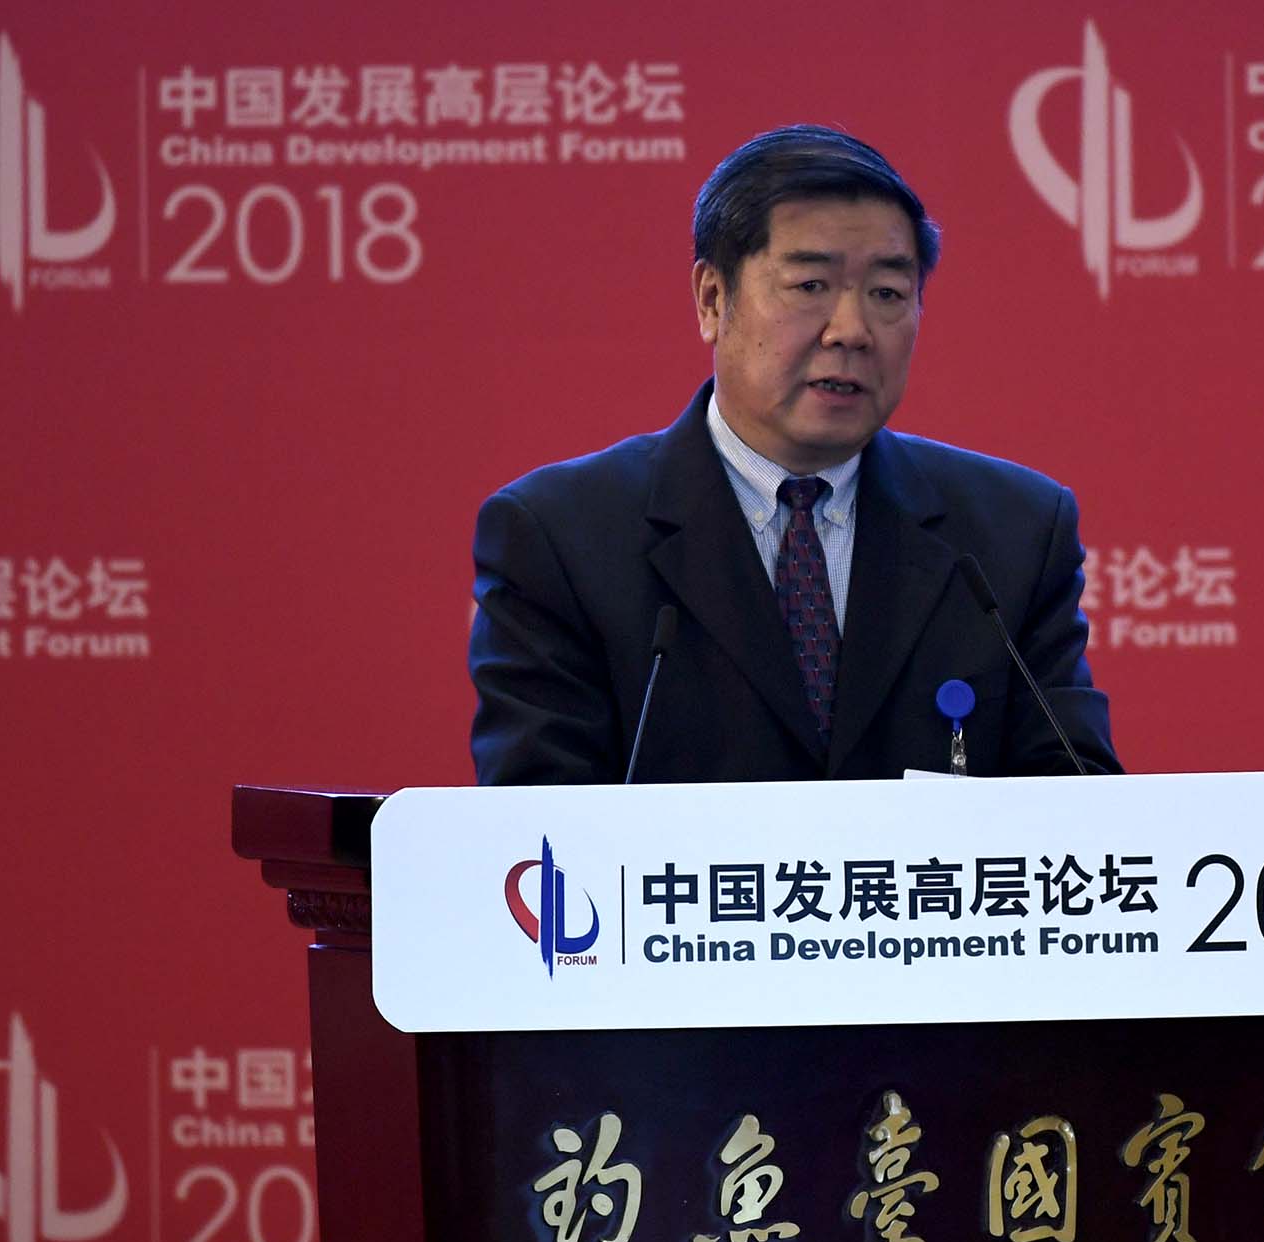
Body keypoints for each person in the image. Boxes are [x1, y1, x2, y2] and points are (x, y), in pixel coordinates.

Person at [469, 125, 1120, 785]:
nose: (851, 331)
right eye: (810, 285)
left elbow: (1077, 803)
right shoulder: (559, 538)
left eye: (887, 294)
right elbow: (534, 823)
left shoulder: (1014, 534)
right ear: (712, 299)